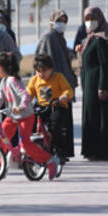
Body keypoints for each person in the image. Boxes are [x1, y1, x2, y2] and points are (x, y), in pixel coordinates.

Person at [0, 52, 60, 180]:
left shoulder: (13, 81)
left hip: (25, 115)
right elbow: (0, 98)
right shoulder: (3, 82)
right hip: (13, 117)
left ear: (4, 68)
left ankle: (49, 160)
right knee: (2, 137)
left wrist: (21, 106)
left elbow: (24, 95)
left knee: (25, 143)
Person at [75, 6, 108, 161]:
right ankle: (94, 150)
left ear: (100, 19)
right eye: (86, 19)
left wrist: (102, 87)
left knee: (105, 117)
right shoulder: (90, 38)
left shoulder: (104, 38)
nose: (90, 22)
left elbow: (106, 64)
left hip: (100, 84)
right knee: (93, 116)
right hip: (90, 84)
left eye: (93, 19)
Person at [35, 9, 77, 158]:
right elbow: (41, 60)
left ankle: (62, 152)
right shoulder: (48, 37)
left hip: (62, 88)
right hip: (52, 89)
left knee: (63, 123)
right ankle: (54, 152)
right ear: (52, 21)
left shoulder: (59, 38)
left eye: (64, 21)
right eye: (59, 21)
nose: (62, 24)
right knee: (55, 124)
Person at [26, 54, 74, 162]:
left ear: (51, 69)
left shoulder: (58, 77)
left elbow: (68, 90)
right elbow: (29, 93)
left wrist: (65, 96)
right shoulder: (34, 80)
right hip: (41, 107)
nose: (41, 74)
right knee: (30, 124)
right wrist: (24, 101)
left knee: (55, 126)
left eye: (44, 71)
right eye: (38, 71)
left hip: (57, 106)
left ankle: (60, 151)